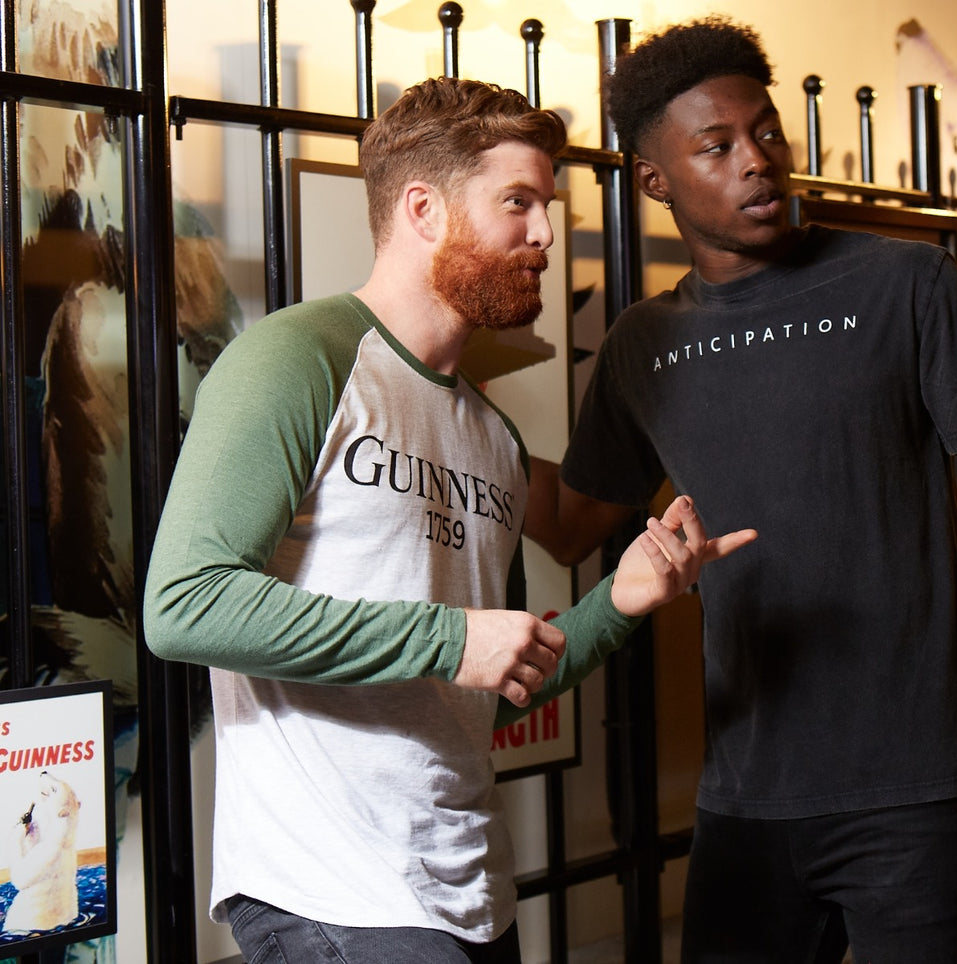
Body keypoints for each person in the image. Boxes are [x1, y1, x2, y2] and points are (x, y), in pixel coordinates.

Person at [523, 17, 957, 963]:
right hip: (744, 795)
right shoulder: (641, 345)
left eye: (766, 131)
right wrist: (442, 414)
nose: (758, 161)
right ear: (654, 180)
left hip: (921, 787)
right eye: (716, 145)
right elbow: (571, 527)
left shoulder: (903, 283)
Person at [142, 77, 754, 964]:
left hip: (468, 894)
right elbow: (184, 605)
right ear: (423, 208)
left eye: (545, 204)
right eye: (518, 202)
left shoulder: (492, 437)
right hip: (329, 894)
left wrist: (616, 606)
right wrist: (447, 639)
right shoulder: (297, 356)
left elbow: (478, 690)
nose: (545, 233)